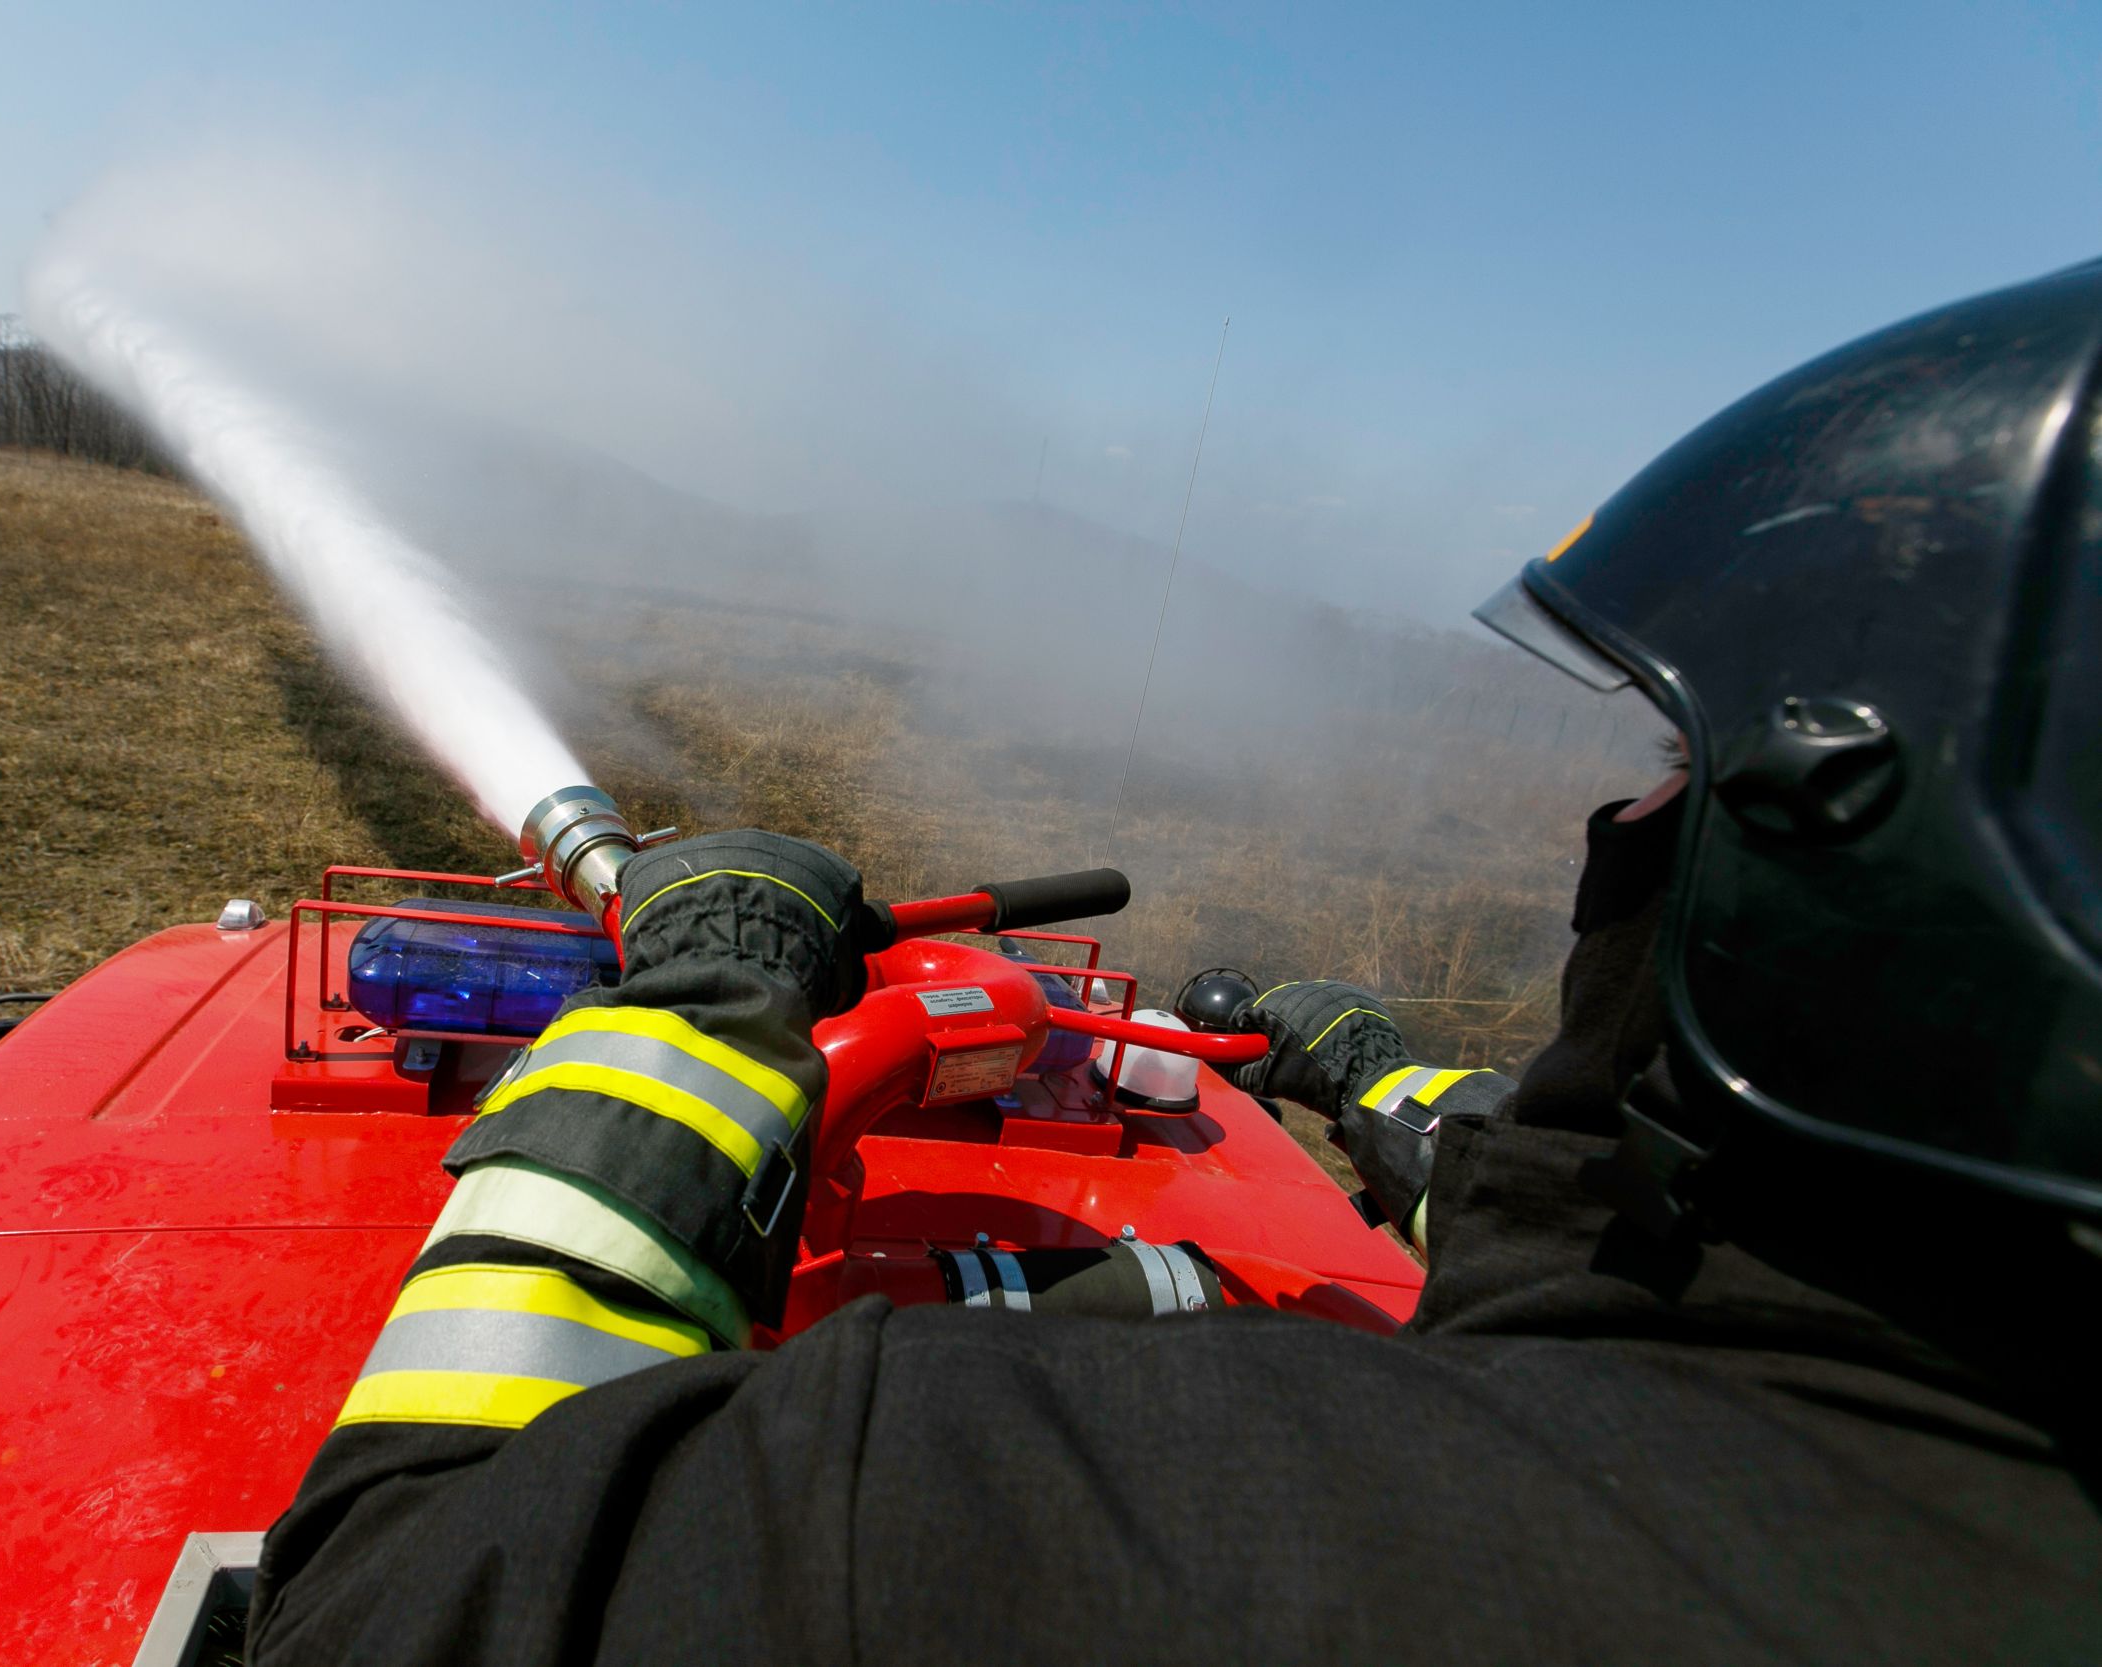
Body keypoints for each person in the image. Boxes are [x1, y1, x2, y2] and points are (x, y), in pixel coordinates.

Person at [246, 263, 2102, 1663]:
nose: (1625, 830)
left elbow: (410, 1597)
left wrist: (713, 998)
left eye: (1678, 772)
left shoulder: (1036, 1512)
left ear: (1895, 871)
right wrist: (1359, 1062)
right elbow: (1659, 1262)